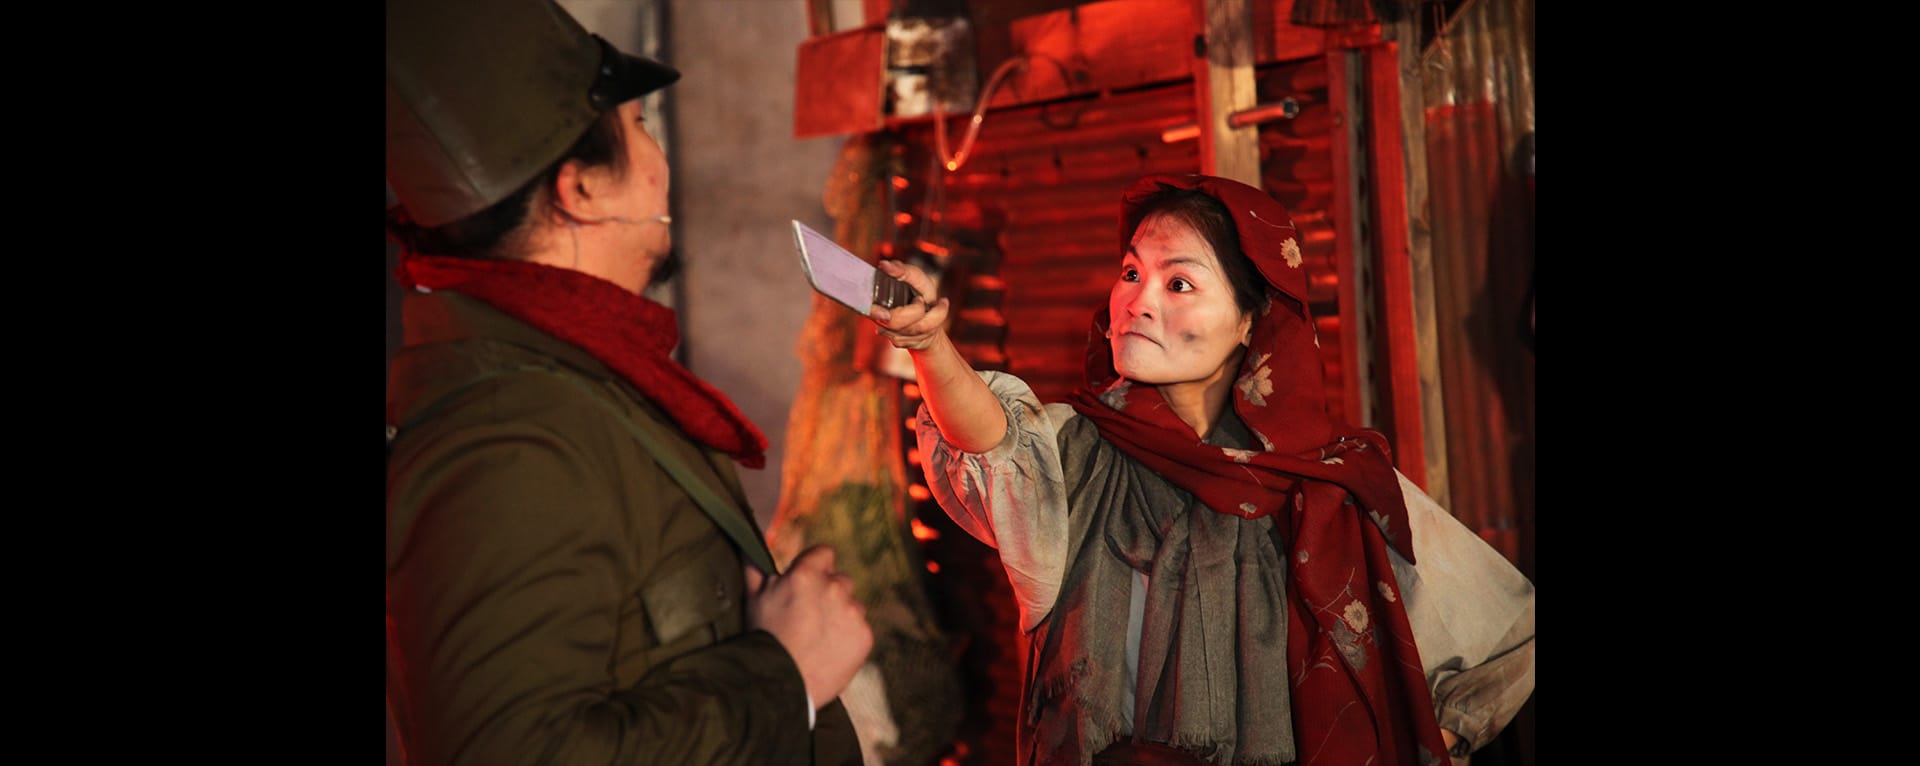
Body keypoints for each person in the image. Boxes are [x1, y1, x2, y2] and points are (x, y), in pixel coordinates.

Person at [871, 173, 1534, 766]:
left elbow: (1509, 634)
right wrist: (929, 344)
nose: (1138, 301)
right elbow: (990, 442)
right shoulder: (1079, 453)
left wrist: (1442, 737)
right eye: (1131, 273)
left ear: (1249, 321)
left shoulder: (1328, 484)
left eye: (1178, 283)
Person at [384, 0, 870, 763]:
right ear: (581, 190)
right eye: (640, 126)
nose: (657, 162)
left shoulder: (577, 388)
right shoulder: (512, 441)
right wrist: (786, 677)